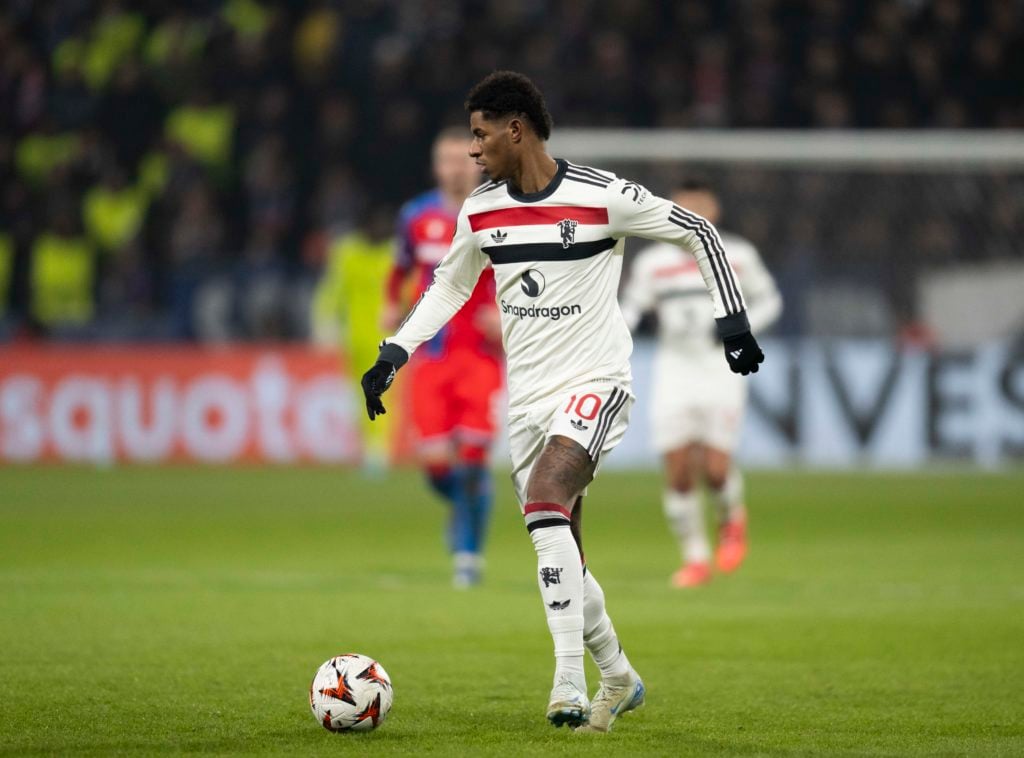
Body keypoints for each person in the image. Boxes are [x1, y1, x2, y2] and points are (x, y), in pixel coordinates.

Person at [360, 71, 764, 733]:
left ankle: (567, 680)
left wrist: (733, 322)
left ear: (516, 128)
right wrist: (394, 351)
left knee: (548, 499)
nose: (473, 149)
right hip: (527, 402)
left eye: (481, 133)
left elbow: (699, 232)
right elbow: (449, 286)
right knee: (562, 546)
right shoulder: (481, 211)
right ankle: (621, 677)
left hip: (596, 385)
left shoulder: (602, 195)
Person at [620, 179, 782, 588]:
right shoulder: (653, 262)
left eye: (699, 203)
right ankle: (695, 559)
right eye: (683, 204)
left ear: (713, 208)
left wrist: (738, 331)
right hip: (674, 367)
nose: (692, 210)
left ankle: (732, 517)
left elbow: (770, 300)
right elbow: (632, 307)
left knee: (715, 468)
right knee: (677, 470)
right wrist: (620, 334)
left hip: (720, 366)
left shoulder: (738, 255)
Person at [382, 127, 504, 588]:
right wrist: (391, 304)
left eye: (463, 159)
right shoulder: (415, 217)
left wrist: (504, 317)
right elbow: (399, 268)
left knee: (472, 456)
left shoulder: (501, 214)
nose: (455, 168)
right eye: (446, 160)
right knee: (436, 465)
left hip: (480, 355)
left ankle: (468, 557)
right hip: (431, 355)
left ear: (478, 162)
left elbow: (523, 276)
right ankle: (466, 505)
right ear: (436, 166)